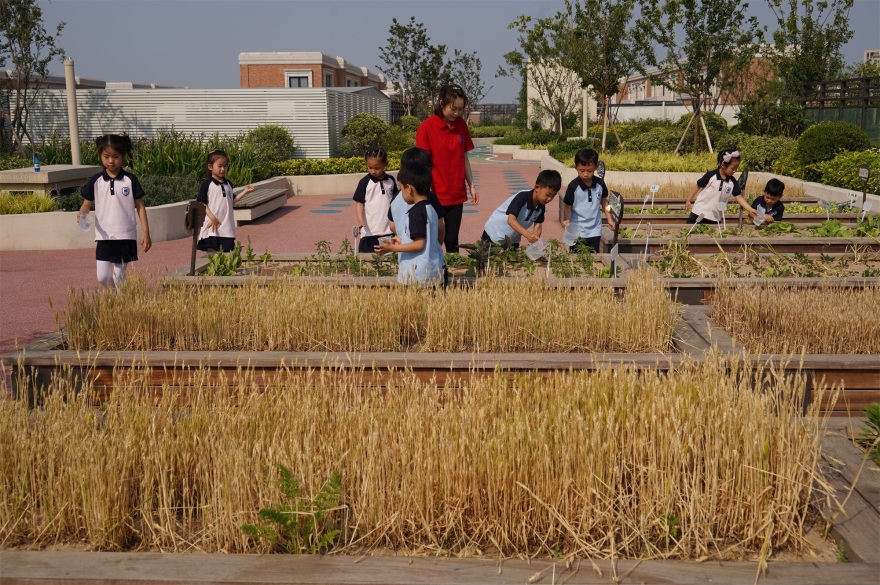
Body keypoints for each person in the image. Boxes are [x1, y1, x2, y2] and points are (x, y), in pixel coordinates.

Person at [77, 134, 151, 288]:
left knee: (119, 279)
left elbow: (140, 206)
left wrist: (146, 232)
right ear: (100, 156)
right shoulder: (96, 180)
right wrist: (82, 212)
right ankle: (115, 298)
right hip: (104, 237)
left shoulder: (130, 179)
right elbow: (86, 204)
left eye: (116, 157)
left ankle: (119, 301)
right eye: (106, 157)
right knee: (102, 277)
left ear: (123, 156)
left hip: (125, 236)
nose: (111, 161)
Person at [416, 83, 477, 253]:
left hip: (456, 192)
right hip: (434, 193)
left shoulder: (461, 125)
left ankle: (452, 268)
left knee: (452, 239)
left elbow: (464, 158)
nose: (456, 113)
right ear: (441, 103)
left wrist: (471, 185)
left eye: (460, 109)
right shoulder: (426, 127)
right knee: (435, 237)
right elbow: (422, 163)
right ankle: (432, 267)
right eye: (453, 109)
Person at [375, 151, 444, 286]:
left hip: (416, 271)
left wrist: (392, 248)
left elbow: (417, 243)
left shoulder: (414, 212)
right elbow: (440, 230)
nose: (400, 192)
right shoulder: (430, 206)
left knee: (415, 298)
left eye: (401, 188)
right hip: (433, 266)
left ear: (409, 188)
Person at [482, 170, 561, 247]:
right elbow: (511, 220)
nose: (550, 199)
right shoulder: (522, 197)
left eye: (553, 195)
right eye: (547, 194)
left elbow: (538, 225)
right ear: (537, 187)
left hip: (513, 238)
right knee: (487, 255)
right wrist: (528, 235)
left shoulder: (541, 206)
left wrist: (535, 242)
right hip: (494, 234)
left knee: (513, 255)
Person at [196, 149, 254, 253]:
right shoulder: (207, 184)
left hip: (226, 227)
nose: (223, 169)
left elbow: (231, 201)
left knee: (227, 252)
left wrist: (245, 191)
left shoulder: (228, 184)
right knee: (213, 252)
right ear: (210, 167)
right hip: (213, 226)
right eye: (220, 166)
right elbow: (201, 202)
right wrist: (212, 218)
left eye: (225, 166)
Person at [561, 149, 615, 253]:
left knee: (594, 257)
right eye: (582, 171)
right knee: (576, 257)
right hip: (577, 230)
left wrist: (610, 219)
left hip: (595, 230)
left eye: (589, 171)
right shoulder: (573, 186)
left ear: (595, 167)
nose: (586, 174)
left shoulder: (600, 184)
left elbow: (604, 201)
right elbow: (568, 206)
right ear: (575, 168)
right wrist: (568, 221)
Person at [685, 149, 756, 224]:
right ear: (723, 165)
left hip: (715, 217)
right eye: (732, 168)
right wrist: (688, 200)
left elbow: (739, 197)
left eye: (736, 168)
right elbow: (697, 186)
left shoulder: (732, 182)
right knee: (691, 230)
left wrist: (750, 209)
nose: (734, 171)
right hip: (699, 212)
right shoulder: (711, 175)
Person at [353, 148, 396, 253]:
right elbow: (359, 203)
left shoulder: (391, 181)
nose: (373, 171)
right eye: (370, 167)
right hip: (369, 232)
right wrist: (360, 220)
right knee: (367, 259)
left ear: (385, 164)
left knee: (388, 258)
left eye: (377, 168)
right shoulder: (364, 182)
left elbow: (395, 202)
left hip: (388, 231)